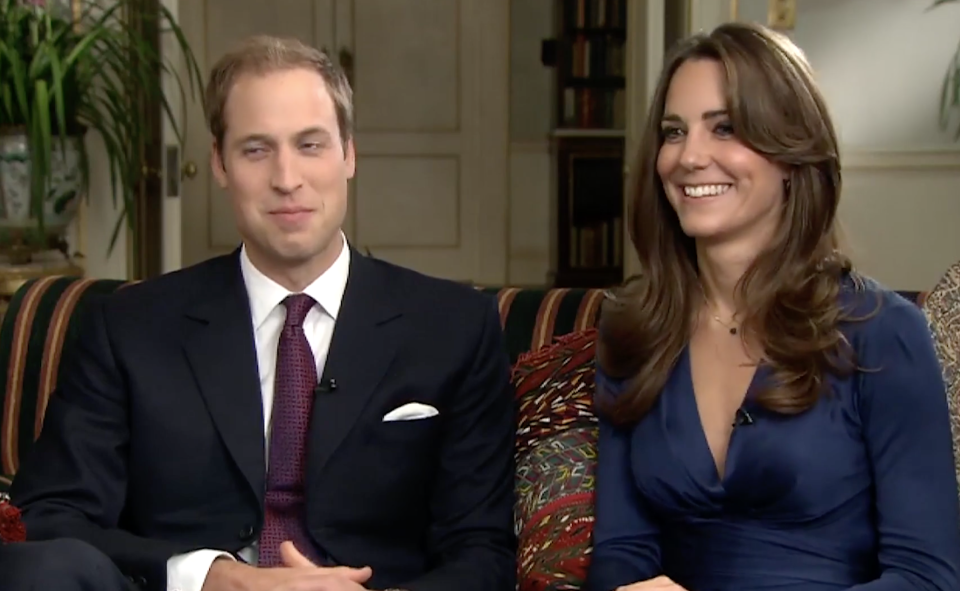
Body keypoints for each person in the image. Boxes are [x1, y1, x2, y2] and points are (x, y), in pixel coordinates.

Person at [9, 35, 516, 591]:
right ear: (220, 164)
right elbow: (51, 518)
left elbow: (482, 551)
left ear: (349, 154)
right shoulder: (127, 326)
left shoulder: (454, 327)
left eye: (310, 145)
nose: (286, 178)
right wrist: (214, 577)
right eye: (256, 149)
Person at [585, 22, 960, 591]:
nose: (689, 157)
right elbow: (621, 551)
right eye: (673, 132)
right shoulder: (633, 330)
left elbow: (927, 577)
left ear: (791, 154)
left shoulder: (883, 333)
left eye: (726, 128)